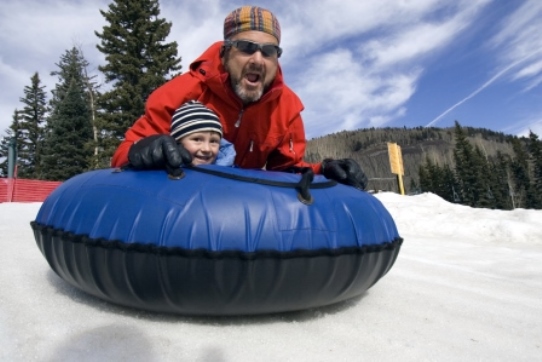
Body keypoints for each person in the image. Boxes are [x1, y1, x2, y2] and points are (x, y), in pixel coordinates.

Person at [114, 5, 368, 190]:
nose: (257, 59)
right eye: (246, 48)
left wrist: (323, 170)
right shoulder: (181, 92)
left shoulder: (286, 108)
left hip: (242, 211)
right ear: (225, 52)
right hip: (178, 202)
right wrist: (142, 151)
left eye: (268, 51)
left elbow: (285, 171)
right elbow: (124, 153)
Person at [170, 100, 236, 166]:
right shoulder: (163, 170)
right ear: (177, 142)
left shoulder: (229, 171)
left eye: (213, 141)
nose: (207, 149)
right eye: (197, 139)